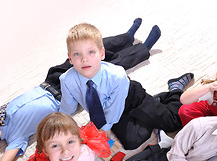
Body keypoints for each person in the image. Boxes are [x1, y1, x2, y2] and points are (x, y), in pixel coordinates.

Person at [0, 19, 155, 161]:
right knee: (101, 69)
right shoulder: (14, 140)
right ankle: (143, 49)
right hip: (65, 95)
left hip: (50, 80)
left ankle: (126, 38)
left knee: (84, 53)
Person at [59, 22, 193, 150]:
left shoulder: (117, 76)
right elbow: (67, 107)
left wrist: (104, 128)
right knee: (133, 142)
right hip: (107, 110)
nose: (84, 59)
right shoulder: (66, 80)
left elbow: (114, 110)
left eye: (91, 52)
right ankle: (155, 103)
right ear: (70, 58)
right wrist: (62, 125)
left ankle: (175, 89)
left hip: (131, 97)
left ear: (102, 54)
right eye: (77, 54)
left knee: (173, 122)